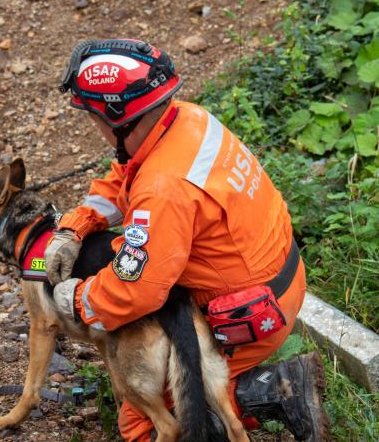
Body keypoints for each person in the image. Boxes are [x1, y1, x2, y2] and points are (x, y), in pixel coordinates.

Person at [46, 39, 329, 441]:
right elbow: (124, 177)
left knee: (147, 416)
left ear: (116, 116)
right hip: (280, 279)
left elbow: (136, 290)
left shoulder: (164, 187)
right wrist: (77, 225)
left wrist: (79, 300)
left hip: (248, 315)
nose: (93, 126)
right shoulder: (184, 121)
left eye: (93, 116)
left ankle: (279, 389)